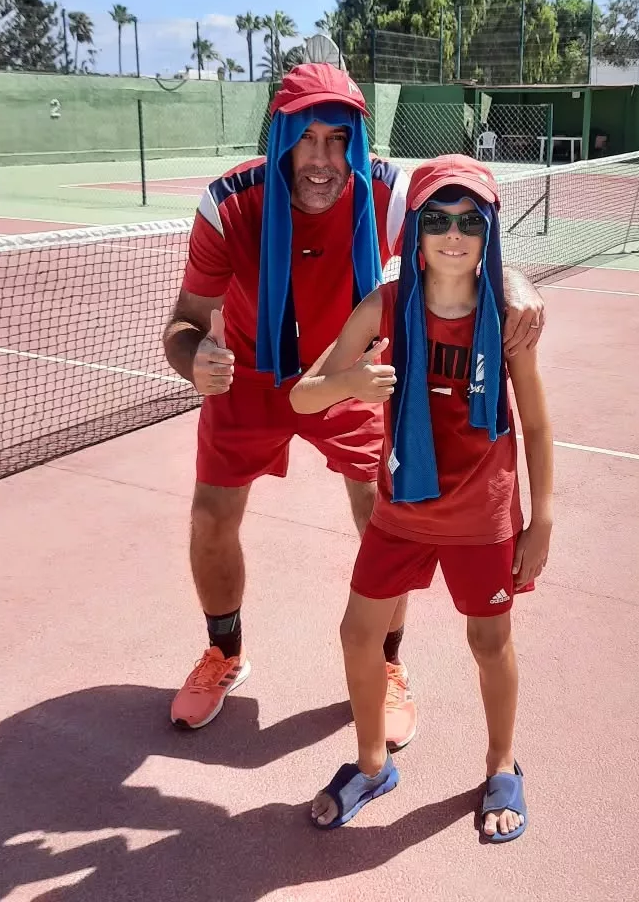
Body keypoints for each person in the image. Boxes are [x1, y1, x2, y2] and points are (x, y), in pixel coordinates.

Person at [161, 64, 547, 745]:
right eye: (306, 139)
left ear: (356, 143)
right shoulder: (229, 204)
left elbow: (460, 224)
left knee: (382, 514)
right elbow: (184, 322)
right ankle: (224, 652)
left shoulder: (386, 192)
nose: (321, 158)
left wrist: (513, 279)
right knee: (210, 516)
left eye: (336, 140)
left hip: (352, 374)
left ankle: (389, 664)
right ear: (281, 139)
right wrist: (195, 360)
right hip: (246, 378)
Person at [290, 153, 554, 842]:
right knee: (358, 634)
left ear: (488, 230)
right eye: (437, 219)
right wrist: (350, 384)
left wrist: (543, 519)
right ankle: (371, 764)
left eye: (469, 220)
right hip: (402, 508)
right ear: (414, 231)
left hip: (482, 515)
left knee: (489, 641)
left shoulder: (507, 317)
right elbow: (303, 396)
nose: (453, 234)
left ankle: (501, 764)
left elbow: (535, 423)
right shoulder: (384, 307)